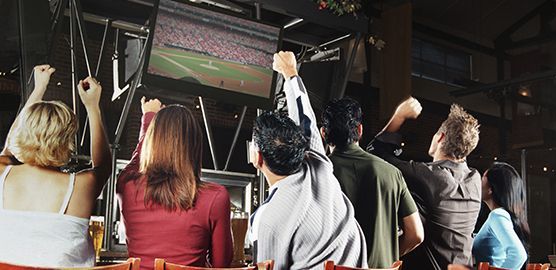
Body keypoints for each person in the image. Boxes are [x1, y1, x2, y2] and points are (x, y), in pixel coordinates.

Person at [248, 51, 367, 269]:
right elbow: (306, 119)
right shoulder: (320, 166)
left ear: (257, 157)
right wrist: (290, 73)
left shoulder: (267, 219)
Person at [0, 65, 111, 267]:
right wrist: (92, 107)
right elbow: (103, 165)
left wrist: (38, 88)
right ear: (67, 140)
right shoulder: (81, 185)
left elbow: (7, 150)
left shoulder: (2, 173)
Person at [117, 98, 232, 270]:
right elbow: (221, 264)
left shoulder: (127, 185)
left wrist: (148, 118)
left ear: (151, 142)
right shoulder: (216, 197)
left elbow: (135, 162)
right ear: (195, 146)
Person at [368, 97, 482, 270]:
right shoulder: (475, 179)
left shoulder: (430, 176)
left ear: (440, 137)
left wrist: (399, 116)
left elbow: (375, 155)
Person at [321, 97, 424, 268]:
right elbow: (416, 235)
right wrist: (389, 255)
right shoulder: (392, 173)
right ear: (360, 130)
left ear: (323, 133)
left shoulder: (318, 174)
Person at [472, 162, 529, 269]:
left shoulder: (497, 215)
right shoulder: (503, 215)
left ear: (491, 189)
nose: (478, 183)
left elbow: (518, 255)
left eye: (482, 179)